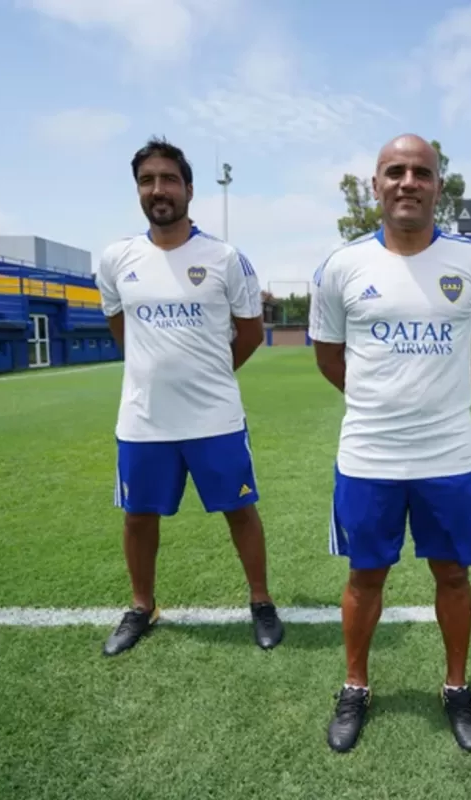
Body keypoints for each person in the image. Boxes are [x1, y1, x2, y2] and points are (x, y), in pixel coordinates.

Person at [308, 133, 471, 754]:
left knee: (452, 574)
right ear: (375, 184)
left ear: (438, 187)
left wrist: (437, 399)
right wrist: (382, 404)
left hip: (447, 456)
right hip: (368, 455)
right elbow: (329, 358)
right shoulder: (342, 267)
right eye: (394, 171)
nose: (407, 181)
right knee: (366, 574)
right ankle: (356, 686)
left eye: (420, 172)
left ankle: (455, 686)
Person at [93, 136, 284, 657]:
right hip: (144, 419)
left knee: (240, 510)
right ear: (138, 190)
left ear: (189, 189)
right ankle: (141, 605)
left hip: (214, 417)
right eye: (148, 180)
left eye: (169, 179)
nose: (159, 189)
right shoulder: (116, 260)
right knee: (138, 516)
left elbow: (248, 334)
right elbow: (120, 329)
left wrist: (207, 376)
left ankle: (261, 601)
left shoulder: (225, 258)